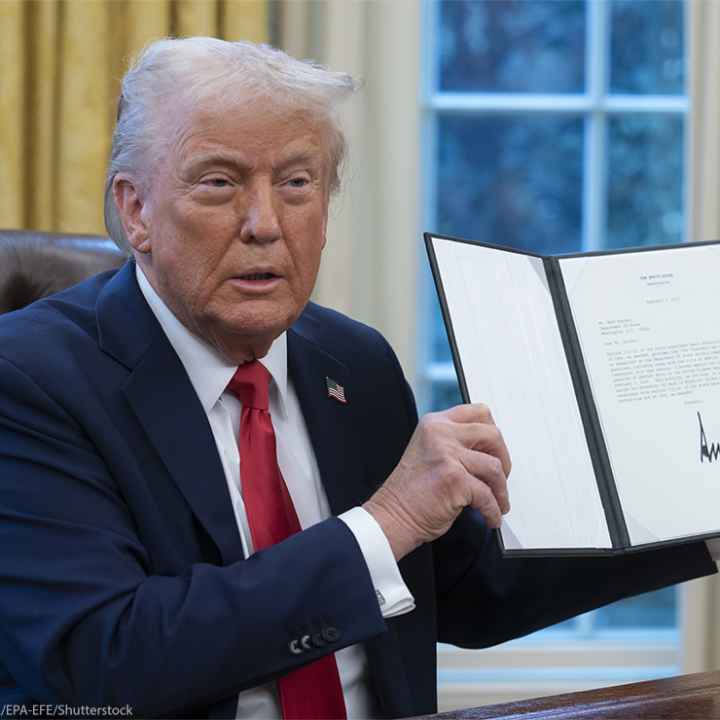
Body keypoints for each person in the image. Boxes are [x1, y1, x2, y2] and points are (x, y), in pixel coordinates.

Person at [0, 37, 715, 720]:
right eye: (219, 183)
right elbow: (104, 664)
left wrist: (702, 506)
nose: (265, 223)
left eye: (296, 183)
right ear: (135, 211)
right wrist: (390, 519)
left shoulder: (353, 361)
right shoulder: (30, 378)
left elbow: (465, 593)